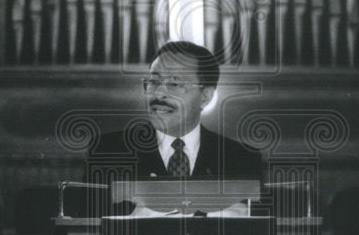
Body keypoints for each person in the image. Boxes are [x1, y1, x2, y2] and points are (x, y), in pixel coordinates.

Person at [84, 41, 263, 199]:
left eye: (175, 84)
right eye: (153, 82)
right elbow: (83, 229)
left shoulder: (241, 160)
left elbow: (260, 232)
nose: (159, 93)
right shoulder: (107, 152)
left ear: (205, 97)